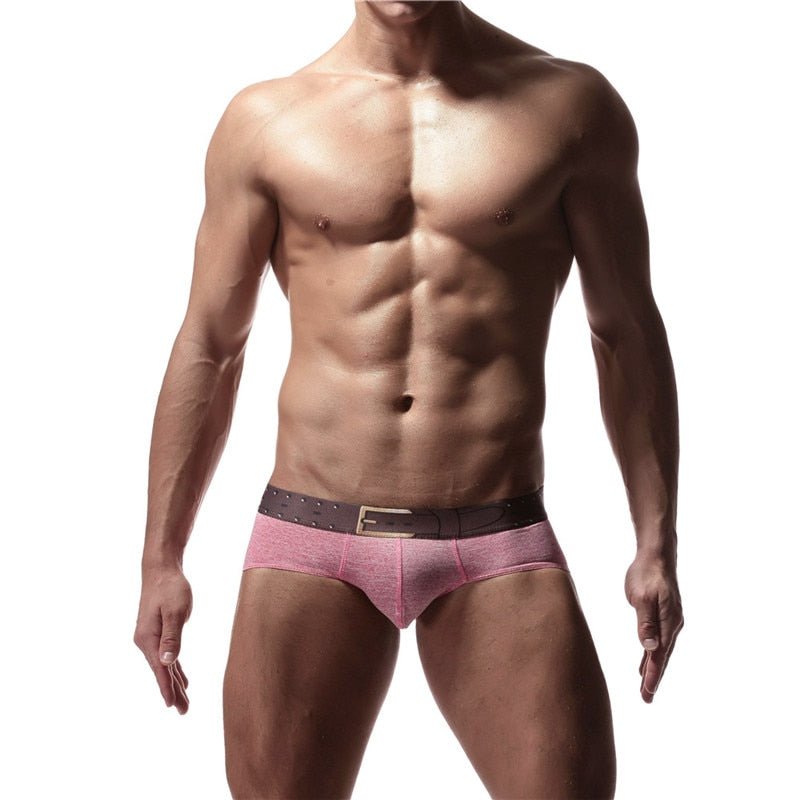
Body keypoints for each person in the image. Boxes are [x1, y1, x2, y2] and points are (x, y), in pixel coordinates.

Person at [134, 1, 684, 797]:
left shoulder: (569, 108)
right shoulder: (267, 121)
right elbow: (210, 347)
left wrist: (655, 542)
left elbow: (624, 332)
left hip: (496, 538)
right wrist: (162, 559)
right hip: (311, 534)